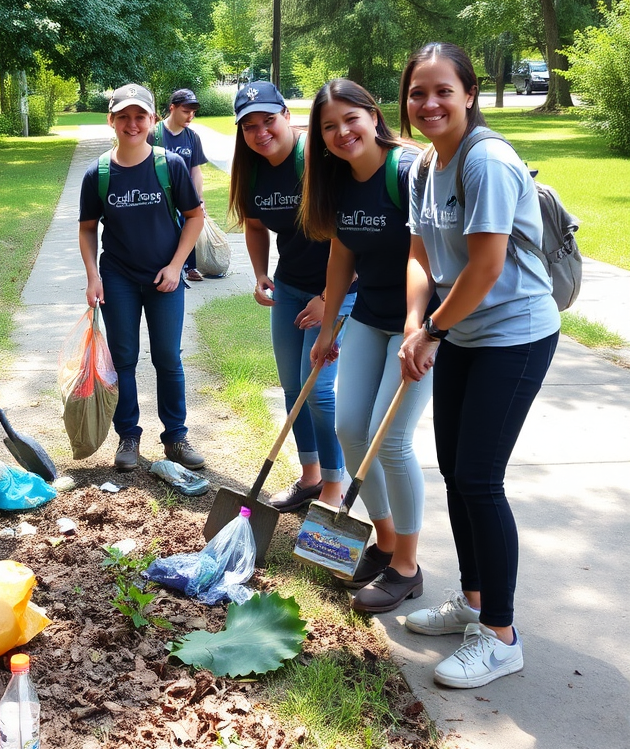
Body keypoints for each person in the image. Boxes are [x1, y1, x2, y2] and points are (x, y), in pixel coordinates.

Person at [398, 42, 560, 688]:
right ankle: (470, 601)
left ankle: (500, 634)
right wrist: (417, 323)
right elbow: (420, 256)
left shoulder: (485, 160)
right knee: (454, 472)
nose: (430, 103)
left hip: (514, 334)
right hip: (459, 333)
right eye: (418, 92)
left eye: (443, 90)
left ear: (470, 94)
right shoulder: (423, 168)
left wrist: (434, 329)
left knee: (479, 478)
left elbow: (488, 268)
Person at [300, 79, 434, 613]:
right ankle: (382, 543)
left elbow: (423, 255)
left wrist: (418, 327)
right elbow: (340, 258)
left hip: (420, 324)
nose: (341, 133)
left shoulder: (407, 172)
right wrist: (328, 328)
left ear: (372, 115)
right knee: (351, 429)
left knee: (392, 439)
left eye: (349, 119)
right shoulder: (334, 181)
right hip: (369, 319)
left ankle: (408, 566)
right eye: (329, 126)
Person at [228, 81, 355, 513]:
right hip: (289, 287)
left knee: (317, 390)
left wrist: (328, 298)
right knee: (291, 385)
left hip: (339, 291)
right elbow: (255, 224)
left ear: (286, 114)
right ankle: (310, 477)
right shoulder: (254, 168)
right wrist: (262, 273)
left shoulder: (318, 161)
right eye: (249, 126)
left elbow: (356, 231)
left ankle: (334, 490)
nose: (260, 132)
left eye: (268, 120)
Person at [79, 83, 205, 472]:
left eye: (140, 116)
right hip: (118, 277)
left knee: (168, 358)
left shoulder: (171, 166)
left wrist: (177, 265)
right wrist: (92, 275)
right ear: (111, 120)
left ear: (153, 120)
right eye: (123, 117)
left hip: (164, 279)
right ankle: (128, 435)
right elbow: (87, 228)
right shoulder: (98, 173)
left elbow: (195, 218)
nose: (132, 124)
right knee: (125, 359)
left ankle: (176, 437)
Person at [150, 89, 208, 281]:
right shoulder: (154, 134)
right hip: (158, 194)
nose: (190, 116)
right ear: (172, 108)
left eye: (193, 111)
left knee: (189, 224)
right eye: (186, 111)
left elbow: (195, 171)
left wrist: (199, 199)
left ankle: (190, 267)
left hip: (184, 194)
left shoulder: (192, 138)